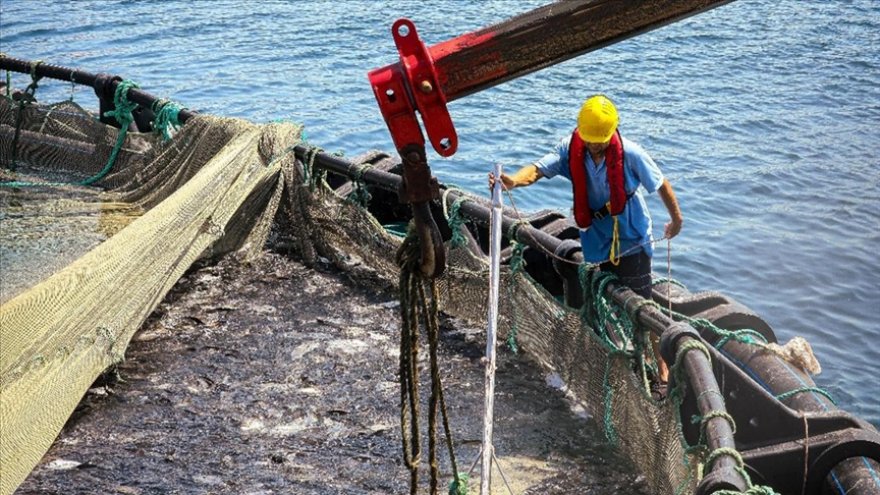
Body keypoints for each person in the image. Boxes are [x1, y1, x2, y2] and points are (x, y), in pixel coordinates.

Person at [489, 94, 682, 395]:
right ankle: (616, 360)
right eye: (590, 140)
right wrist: (512, 180)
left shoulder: (631, 154)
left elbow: (661, 185)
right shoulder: (571, 150)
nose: (594, 146)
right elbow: (538, 169)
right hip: (596, 241)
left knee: (642, 305)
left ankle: (663, 373)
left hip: (631, 238)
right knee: (604, 298)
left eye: (600, 141)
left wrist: (676, 220)